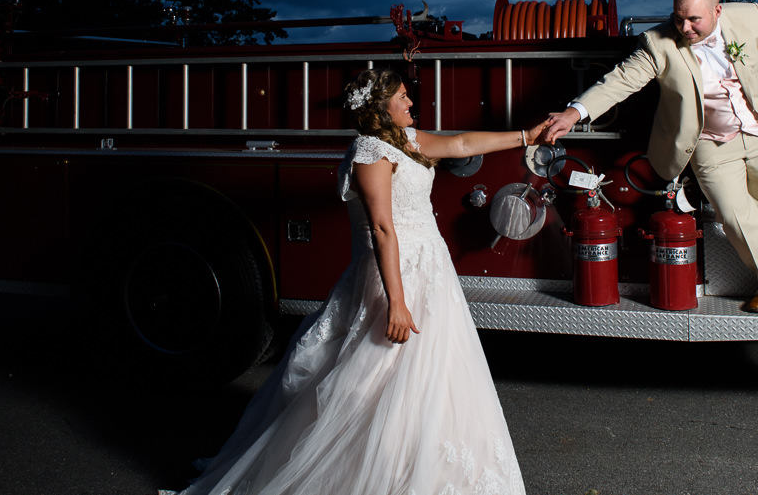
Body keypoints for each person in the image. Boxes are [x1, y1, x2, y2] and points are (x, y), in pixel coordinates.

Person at [175, 69, 547, 495]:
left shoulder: (406, 141)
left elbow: (461, 144)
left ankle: (416, 466)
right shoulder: (370, 151)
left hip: (431, 273)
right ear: (380, 106)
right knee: (372, 381)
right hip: (395, 278)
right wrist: (397, 302)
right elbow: (382, 229)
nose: (411, 103)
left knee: (433, 378)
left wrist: (526, 136)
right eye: (403, 97)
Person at [539, 0, 758, 322]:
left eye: (694, 19)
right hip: (709, 141)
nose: (684, 27)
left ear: (717, 10)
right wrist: (576, 111)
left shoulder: (751, 18)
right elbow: (620, 80)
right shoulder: (658, 42)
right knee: (735, 217)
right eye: (678, 17)